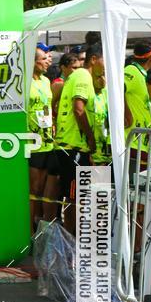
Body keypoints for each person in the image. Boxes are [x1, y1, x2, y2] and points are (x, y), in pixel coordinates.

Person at [52, 43, 104, 233]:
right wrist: (90, 138)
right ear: (94, 59)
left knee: (75, 196)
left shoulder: (82, 77)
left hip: (72, 146)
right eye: (104, 59)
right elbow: (78, 108)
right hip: (74, 146)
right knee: (76, 197)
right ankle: (73, 240)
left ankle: (74, 239)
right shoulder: (83, 75)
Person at [28, 47, 54, 232]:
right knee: (33, 190)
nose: (48, 61)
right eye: (44, 58)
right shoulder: (23, 82)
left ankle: (38, 227)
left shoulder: (46, 81)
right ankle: (28, 230)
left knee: (43, 190)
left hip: (48, 141)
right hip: (32, 142)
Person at [124, 40, 151, 160]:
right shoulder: (132, 70)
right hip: (130, 142)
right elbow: (116, 90)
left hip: (139, 143)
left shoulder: (141, 73)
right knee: (117, 178)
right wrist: (127, 115)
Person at [51, 52, 79, 119]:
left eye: (79, 68)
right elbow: (50, 107)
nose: (77, 71)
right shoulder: (58, 84)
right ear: (63, 68)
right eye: (74, 68)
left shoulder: (78, 81)